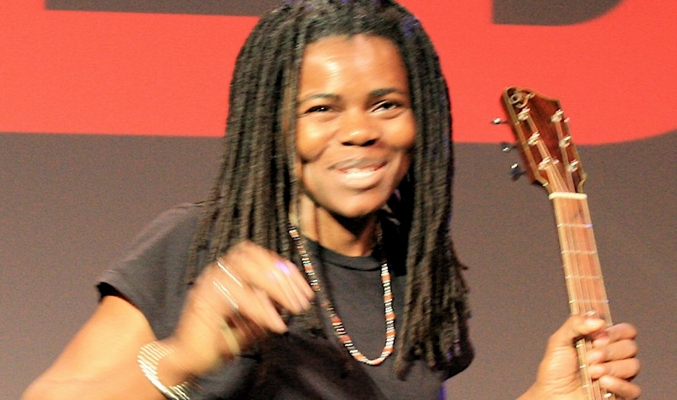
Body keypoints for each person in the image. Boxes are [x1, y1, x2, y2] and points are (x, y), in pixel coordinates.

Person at [23, 0, 640, 399]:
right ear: (273, 125)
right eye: (321, 109)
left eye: (385, 105)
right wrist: (185, 356)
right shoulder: (203, 247)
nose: (359, 130)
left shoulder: (417, 281)